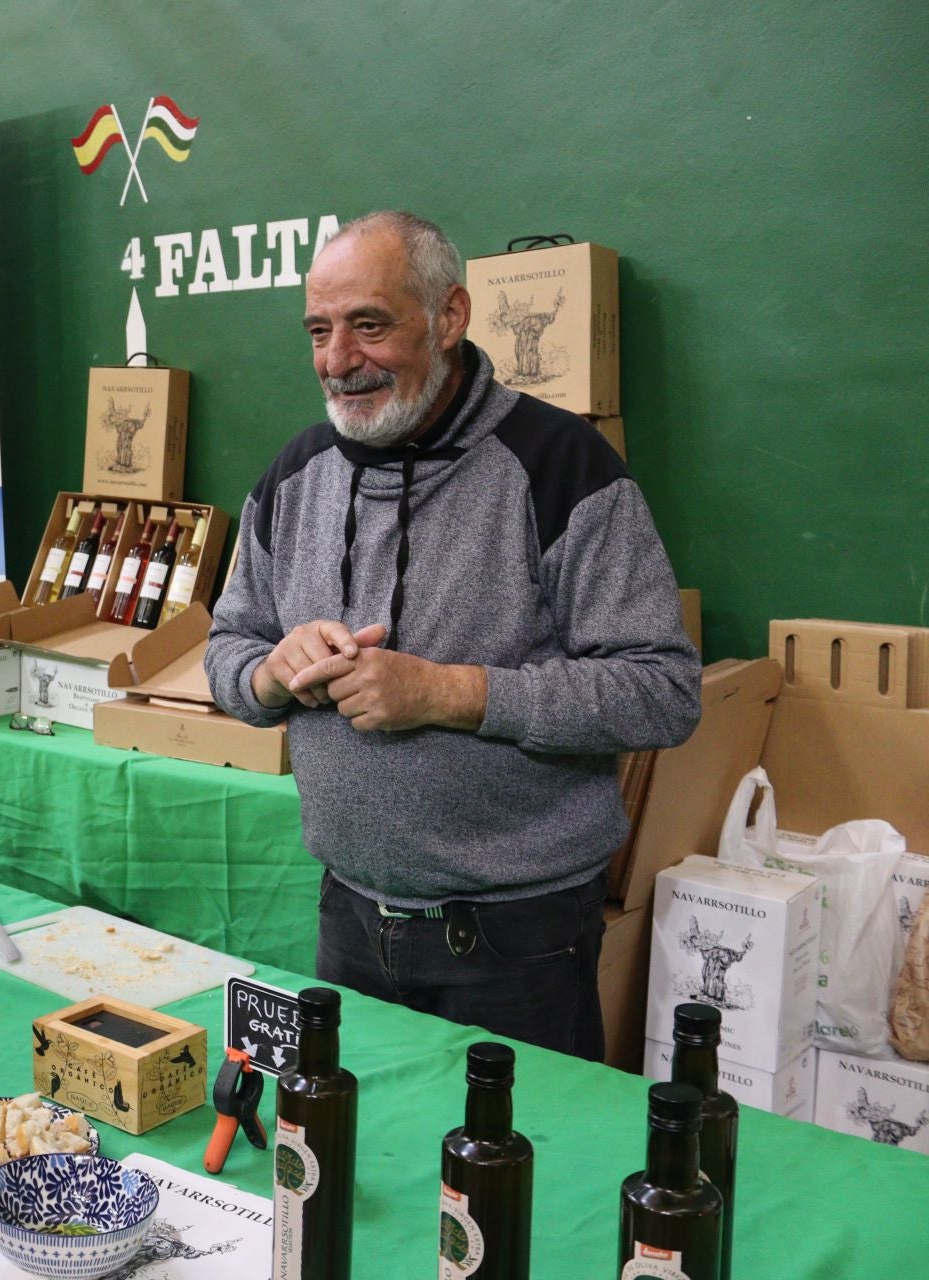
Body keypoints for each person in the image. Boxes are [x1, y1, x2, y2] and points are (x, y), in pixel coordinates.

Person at [206, 211, 699, 1060]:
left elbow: (662, 691)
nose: (337, 360)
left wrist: (450, 693)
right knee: (357, 1167)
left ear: (450, 316)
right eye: (319, 331)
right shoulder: (293, 476)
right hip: (349, 915)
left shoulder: (562, 466)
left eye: (369, 325)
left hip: (517, 940)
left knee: (520, 1177)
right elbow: (227, 648)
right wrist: (268, 675)